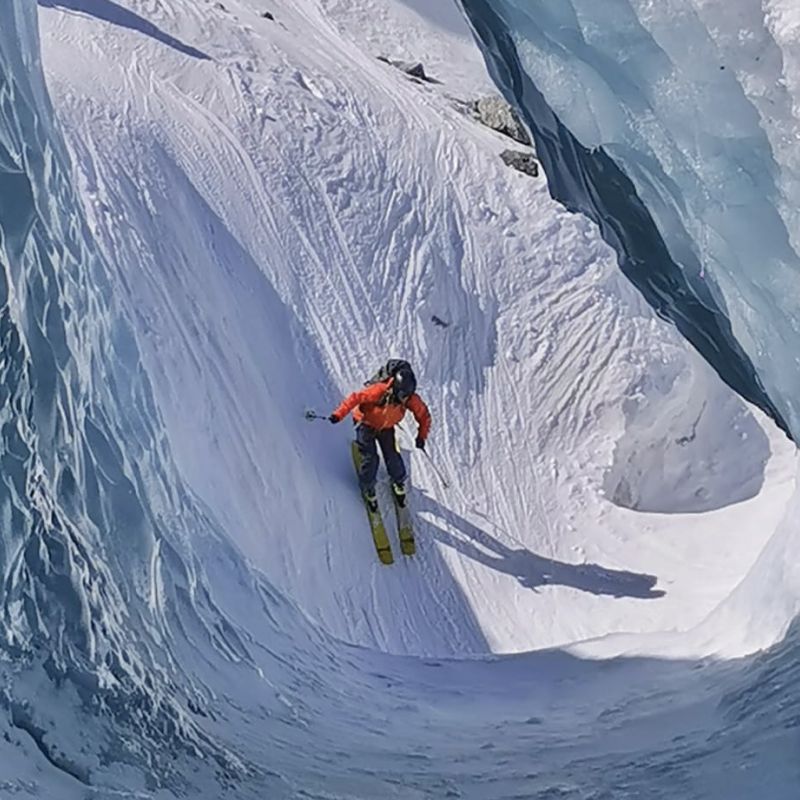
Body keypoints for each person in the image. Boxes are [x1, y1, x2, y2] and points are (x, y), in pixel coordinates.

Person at [329, 362, 431, 511]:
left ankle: (398, 481)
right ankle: (368, 487)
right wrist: (338, 414)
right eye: (403, 396)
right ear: (395, 389)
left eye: (408, 396)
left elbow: (424, 415)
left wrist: (421, 436)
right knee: (371, 459)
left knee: (392, 456)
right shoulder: (379, 391)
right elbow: (355, 398)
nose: (405, 400)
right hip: (365, 424)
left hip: (386, 427)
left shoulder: (410, 398)